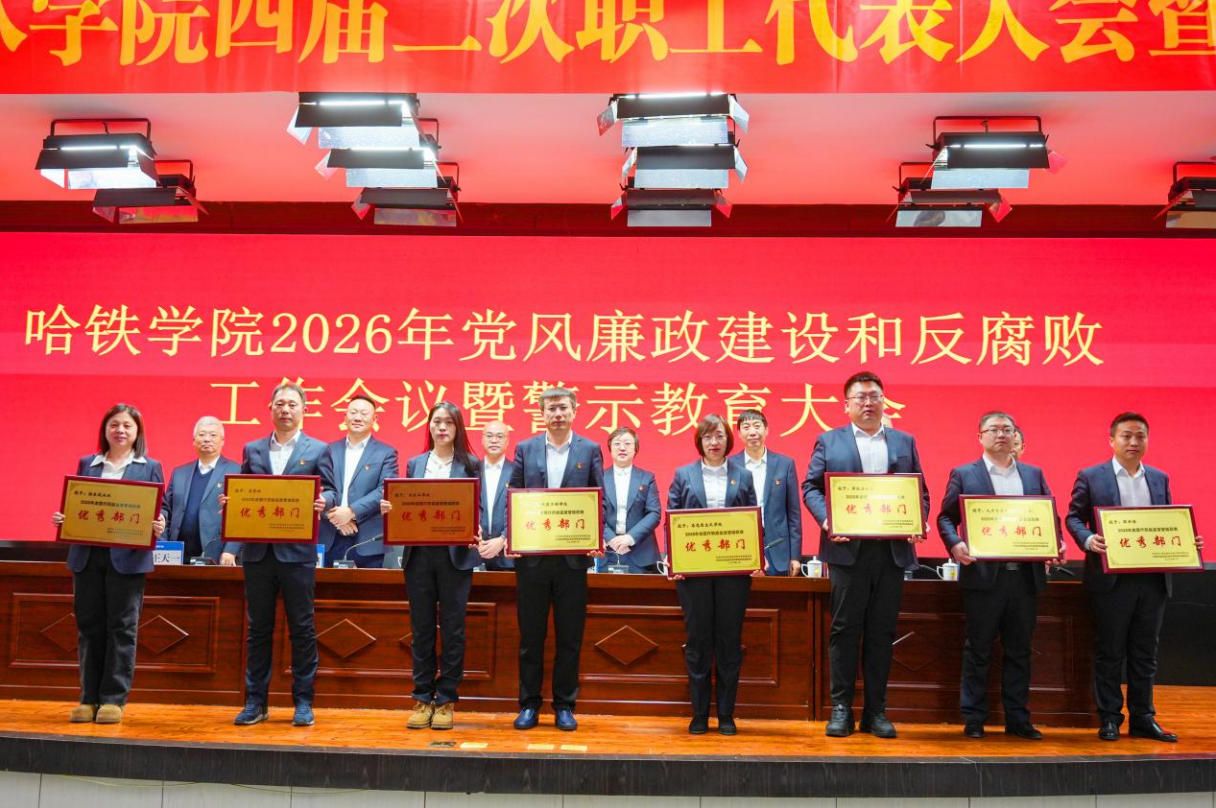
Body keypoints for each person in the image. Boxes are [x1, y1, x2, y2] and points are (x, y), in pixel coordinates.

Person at [801, 371, 930, 739]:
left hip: (890, 552)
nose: (868, 403)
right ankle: (841, 708)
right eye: (860, 397)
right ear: (847, 405)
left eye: (874, 396)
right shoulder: (830, 441)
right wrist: (828, 520)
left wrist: (917, 519)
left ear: (884, 401)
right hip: (847, 551)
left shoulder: (904, 441)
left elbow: (919, 491)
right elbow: (811, 487)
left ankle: (876, 711)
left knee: (881, 631)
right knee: (844, 629)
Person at [1066, 412, 1205, 743]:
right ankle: (1110, 718)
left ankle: (1143, 718)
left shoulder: (1158, 478)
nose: (1133, 442)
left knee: (1145, 652)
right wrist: (1088, 539)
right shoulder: (1091, 476)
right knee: (1110, 651)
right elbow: (1073, 517)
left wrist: (1186, 540)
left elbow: (1166, 522)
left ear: (1147, 440)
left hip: (1152, 579)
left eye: (1140, 436)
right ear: (1112, 440)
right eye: (1126, 436)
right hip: (1111, 580)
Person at [937, 411, 1059, 740]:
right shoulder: (965, 474)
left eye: (1007, 429)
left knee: (1020, 651)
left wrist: (1055, 542)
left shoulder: (1033, 474)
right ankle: (974, 718)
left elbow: (1049, 515)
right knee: (978, 649)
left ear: (1016, 435)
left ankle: (1018, 718)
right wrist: (956, 544)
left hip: (1025, 578)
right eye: (994, 429)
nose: (1001, 435)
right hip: (983, 578)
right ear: (980, 436)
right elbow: (945, 518)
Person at [51, 403, 166, 724]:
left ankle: (113, 700)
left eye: (127, 425)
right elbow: (77, 503)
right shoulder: (88, 464)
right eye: (114, 424)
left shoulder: (150, 466)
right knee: (89, 627)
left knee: (122, 628)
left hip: (128, 558)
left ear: (137, 432)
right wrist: (64, 518)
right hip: (88, 555)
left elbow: (161, 507)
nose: (120, 430)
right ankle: (88, 698)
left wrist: (160, 522)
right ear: (105, 430)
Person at [225, 382, 326, 728]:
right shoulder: (252, 449)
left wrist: (324, 500)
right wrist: (231, 502)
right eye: (280, 403)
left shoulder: (318, 450)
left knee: (302, 628)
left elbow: (330, 489)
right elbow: (242, 490)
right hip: (258, 553)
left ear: (304, 410)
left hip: (297, 554)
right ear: (270, 408)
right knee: (258, 630)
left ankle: (303, 702)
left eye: (292, 404)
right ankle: (255, 702)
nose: (285, 409)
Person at [508, 387, 605, 731]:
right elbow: (514, 495)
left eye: (563, 408)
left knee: (569, 638)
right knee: (530, 639)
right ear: (542, 413)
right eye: (551, 409)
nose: (558, 414)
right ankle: (529, 705)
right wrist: (513, 537)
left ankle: (564, 705)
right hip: (532, 560)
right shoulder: (526, 448)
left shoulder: (589, 449)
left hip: (572, 562)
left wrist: (595, 537)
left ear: (574, 411)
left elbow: (599, 498)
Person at [390, 402, 481, 730]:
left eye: (448, 423)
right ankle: (422, 697)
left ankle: (446, 700)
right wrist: (392, 508)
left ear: (458, 428)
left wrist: (477, 528)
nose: (442, 428)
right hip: (419, 556)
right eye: (436, 421)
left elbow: (480, 507)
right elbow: (407, 504)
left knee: (453, 629)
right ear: (428, 426)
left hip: (455, 557)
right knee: (422, 629)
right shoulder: (416, 463)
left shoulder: (470, 464)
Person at [667, 414, 758, 735]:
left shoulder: (743, 475)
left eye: (719, 436)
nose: (714, 442)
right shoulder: (683, 474)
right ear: (699, 441)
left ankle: (727, 714)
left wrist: (754, 555)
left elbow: (752, 519)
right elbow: (672, 519)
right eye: (707, 437)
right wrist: (675, 562)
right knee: (698, 641)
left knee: (729, 642)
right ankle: (700, 713)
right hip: (694, 574)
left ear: (728, 439)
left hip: (733, 573)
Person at [317, 396, 399, 568]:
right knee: (324, 585)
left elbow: (384, 490)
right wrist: (336, 518)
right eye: (353, 412)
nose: (358, 417)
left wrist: (351, 512)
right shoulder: (327, 450)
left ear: (374, 419)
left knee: (367, 586)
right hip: (329, 536)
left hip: (367, 541)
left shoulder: (386, 453)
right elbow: (320, 489)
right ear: (345, 417)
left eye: (364, 413)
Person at [729, 409, 802, 576]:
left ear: (766, 430)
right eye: (746, 427)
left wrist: (795, 556)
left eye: (757, 426)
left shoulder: (785, 464)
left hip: (778, 550)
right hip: (740, 547)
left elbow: (793, 514)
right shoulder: (730, 466)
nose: (752, 432)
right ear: (739, 433)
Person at [162, 416, 240, 563]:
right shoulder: (179, 473)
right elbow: (166, 510)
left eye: (213, 435)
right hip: (177, 554)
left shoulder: (236, 471)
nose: (207, 439)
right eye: (202, 434)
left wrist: (231, 550)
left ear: (222, 441)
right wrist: (163, 544)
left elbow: (242, 517)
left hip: (217, 554)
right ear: (194, 440)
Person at [600, 427, 662, 574]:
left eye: (627, 443)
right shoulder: (599, 477)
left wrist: (630, 537)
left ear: (635, 449)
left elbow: (654, 513)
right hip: (607, 552)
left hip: (640, 552)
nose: (622, 448)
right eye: (617, 443)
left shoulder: (647, 478)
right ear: (610, 448)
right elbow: (593, 512)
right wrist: (610, 538)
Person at [477, 420, 514, 571]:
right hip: (475, 553)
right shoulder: (471, 470)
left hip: (507, 556)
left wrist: (504, 538)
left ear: (507, 441)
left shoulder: (517, 472)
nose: (494, 440)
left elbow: (521, 511)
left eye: (499, 436)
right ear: (482, 439)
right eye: (489, 436)